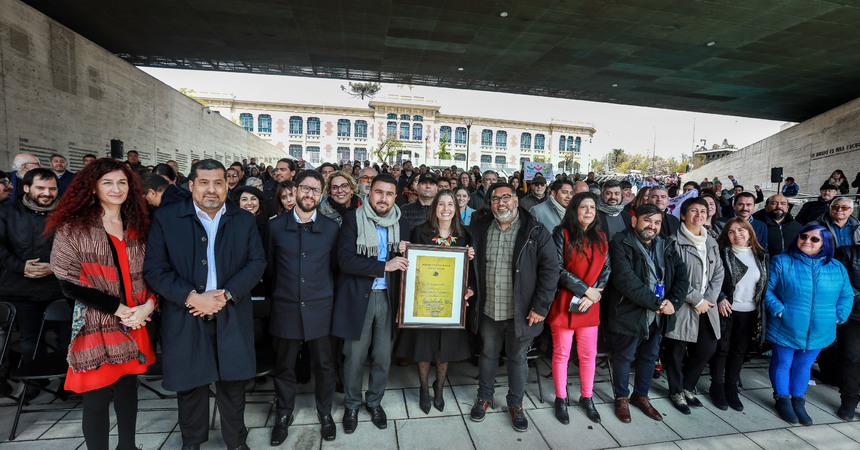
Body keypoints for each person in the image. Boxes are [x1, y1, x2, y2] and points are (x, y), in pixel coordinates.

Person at [143, 159, 267, 450]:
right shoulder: (167, 218)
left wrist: (225, 294)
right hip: (185, 313)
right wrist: (191, 297)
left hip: (231, 311)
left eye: (218, 183)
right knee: (190, 385)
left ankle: (236, 441)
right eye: (204, 182)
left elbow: (257, 263)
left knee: (233, 383)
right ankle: (192, 441)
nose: (211, 189)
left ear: (227, 185)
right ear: (191, 185)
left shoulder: (244, 219)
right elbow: (155, 269)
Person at [48, 158, 156, 450]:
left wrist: (147, 306)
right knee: (96, 396)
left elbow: (156, 271)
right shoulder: (73, 227)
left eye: (122, 182)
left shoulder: (139, 224)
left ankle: (128, 447)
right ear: (92, 188)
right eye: (107, 182)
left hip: (137, 319)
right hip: (97, 323)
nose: (116, 188)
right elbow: (68, 282)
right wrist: (121, 310)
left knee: (127, 390)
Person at [468, 182, 558, 432]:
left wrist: (540, 307)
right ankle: (484, 397)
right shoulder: (480, 227)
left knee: (518, 359)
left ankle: (516, 403)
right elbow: (470, 264)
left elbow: (551, 271)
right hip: (488, 308)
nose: (501, 203)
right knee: (487, 355)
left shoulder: (535, 230)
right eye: (496, 199)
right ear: (490, 203)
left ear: (516, 200)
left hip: (522, 311)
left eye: (506, 197)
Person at [332, 173, 410, 434]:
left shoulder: (402, 222)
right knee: (354, 356)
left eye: (389, 193)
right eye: (379, 192)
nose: (383, 198)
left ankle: (374, 402)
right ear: (369, 192)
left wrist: (405, 251)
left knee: (382, 356)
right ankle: (352, 404)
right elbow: (345, 261)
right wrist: (384, 265)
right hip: (359, 298)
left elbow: (410, 259)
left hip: (389, 298)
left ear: (395, 197)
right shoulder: (352, 219)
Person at [265, 170, 339, 443]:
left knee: (324, 365)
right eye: (306, 189)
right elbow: (270, 267)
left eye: (316, 191)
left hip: (320, 308)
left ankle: (325, 412)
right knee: (284, 366)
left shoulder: (332, 228)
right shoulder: (275, 226)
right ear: (295, 190)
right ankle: (284, 413)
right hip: (286, 306)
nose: (310, 195)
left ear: (321, 196)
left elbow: (333, 267)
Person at [603, 203, 689, 424]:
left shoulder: (666, 244)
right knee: (624, 356)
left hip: (658, 314)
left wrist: (675, 302)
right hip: (629, 312)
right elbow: (625, 280)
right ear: (634, 221)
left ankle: (641, 396)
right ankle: (621, 397)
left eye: (657, 222)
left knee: (650, 356)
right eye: (647, 220)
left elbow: (682, 276)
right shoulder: (620, 243)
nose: (652, 226)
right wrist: (658, 303)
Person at [395, 190, 475, 414]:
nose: (446, 209)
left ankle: (438, 387)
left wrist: (470, 275)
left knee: (444, 348)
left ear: (456, 208)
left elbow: (472, 273)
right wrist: (403, 250)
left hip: (450, 304)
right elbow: (409, 267)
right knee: (424, 345)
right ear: (434, 208)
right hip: (424, 300)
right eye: (441, 204)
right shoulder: (420, 232)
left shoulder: (464, 236)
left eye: (451, 204)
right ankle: (423, 388)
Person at [764, 224, 853, 425]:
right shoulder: (782, 261)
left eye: (814, 239)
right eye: (804, 236)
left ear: (825, 244)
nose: (807, 241)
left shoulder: (836, 267)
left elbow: (846, 294)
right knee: (783, 363)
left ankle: (798, 400)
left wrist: (839, 315)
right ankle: (782, 399)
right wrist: (779, 310)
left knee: (803, 365)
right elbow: (767, 290)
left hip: (820, 328)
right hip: (786, 324)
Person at [0, 168, 70, 400]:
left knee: (67, 336)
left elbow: (76, 247)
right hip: (21, 287)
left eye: (52, 188)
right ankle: (35, 383)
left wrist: (54, 266)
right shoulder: (7, 212)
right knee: (30, 338)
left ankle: (67, 381)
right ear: (27, 188)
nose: (47, 193)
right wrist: (21, 267)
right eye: (40, 188)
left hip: (59, 286)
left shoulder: (67, 213)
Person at [547, 192, 610, 425]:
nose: (588, 211)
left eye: (592, 207)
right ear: (574, 209)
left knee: (588, 355)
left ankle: (587, 397)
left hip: (590, 303)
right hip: (565, 301)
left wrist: (594, 294)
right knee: (562, 354)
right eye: (584, 207)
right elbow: (558, 268)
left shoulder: (602, 237)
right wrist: (586, 290)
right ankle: (561, 398)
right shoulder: (561, 233)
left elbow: (607, 270)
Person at [663, 198, 725, 415]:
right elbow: (673, 277)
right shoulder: (672, 242)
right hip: (683, 304)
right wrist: (696, 299)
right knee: (676, 351)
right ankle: (676, 390)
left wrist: (708, 299)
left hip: (708, 305)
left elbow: (719, 272)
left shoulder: (712, 242)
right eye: (693, 211)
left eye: (703, 211)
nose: (699, 215)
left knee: (708, 347)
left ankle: (688, 386)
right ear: (682, 215)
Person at [708, 218, 769, 412]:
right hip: (726, 309)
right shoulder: (721, 253)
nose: (737, 235)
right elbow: (710, 279)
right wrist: (720, 297)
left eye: (741, 230)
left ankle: (731, 386)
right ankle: (716, 386)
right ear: (727, 235)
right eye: (732, 232)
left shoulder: (761, 255)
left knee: (739, 352)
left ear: (750, 233)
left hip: (750, 312)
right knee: (722, 349)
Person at [834, 244, 860, 420]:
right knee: (851, 357)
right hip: (854, 314)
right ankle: (849, 400)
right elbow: (842, 282)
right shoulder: (847, 252)